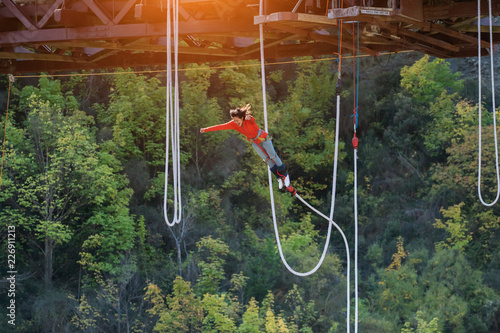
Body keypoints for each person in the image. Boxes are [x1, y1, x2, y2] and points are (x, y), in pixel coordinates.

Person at [200, 104, 290, 189]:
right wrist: (206, 130)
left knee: (273, 156)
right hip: (254, 142)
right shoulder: (233, 124)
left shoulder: (248, 120)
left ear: (242, 117)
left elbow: (252, 120)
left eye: (237, 120)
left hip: (263, 139)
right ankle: (279, 178)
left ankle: (285, 175)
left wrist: (249, 117)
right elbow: (220, 127)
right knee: (266, 159)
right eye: (234, 120)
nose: (236, 122)